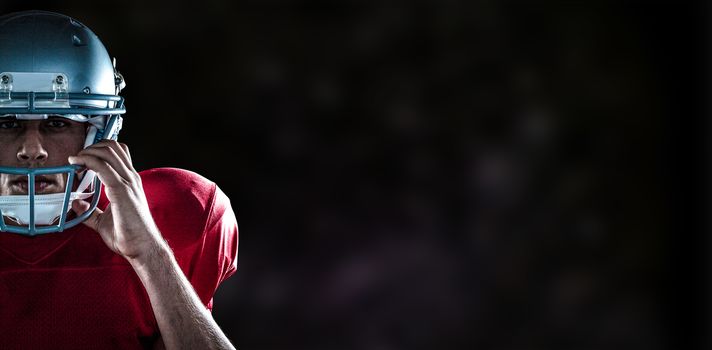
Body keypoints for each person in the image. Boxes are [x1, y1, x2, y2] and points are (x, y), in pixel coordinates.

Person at [0, 10, 239, 349]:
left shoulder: (179, 209)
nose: (32, 150)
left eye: (57, 123)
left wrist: (150, 253)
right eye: (8, 124)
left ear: (98, 131)